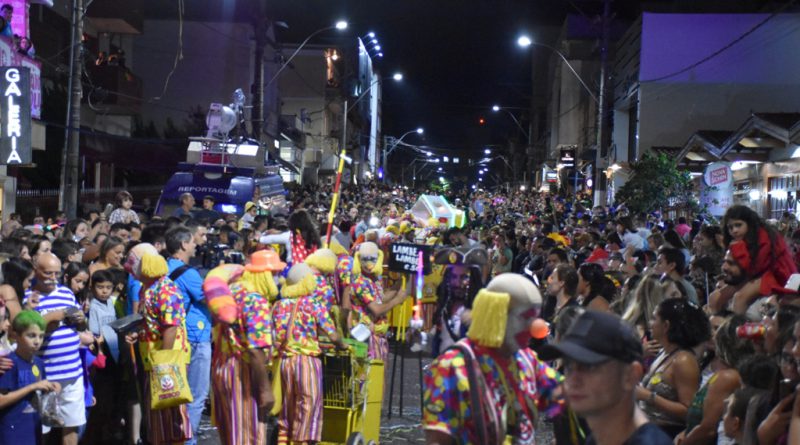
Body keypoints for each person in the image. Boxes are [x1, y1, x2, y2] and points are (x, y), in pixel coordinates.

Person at [423, 273, 563, 445]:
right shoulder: (452, 368)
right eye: (526, 318)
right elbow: (438, 440)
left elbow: (563, 397)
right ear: (498, 315)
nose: (535, 329)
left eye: (536, 317)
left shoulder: (527, 360)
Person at [539, 310, 673, 445]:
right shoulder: (599, 438)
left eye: (588, 367)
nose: (572, 380)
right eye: (568, 366)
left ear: (630, 375)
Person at [206, 251, 284, 445]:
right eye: (273, 274)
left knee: (231, 434)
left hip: (223, 367)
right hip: (243, 372)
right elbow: (255, 350)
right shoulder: (255, 300)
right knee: (248, 435)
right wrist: (265, 389)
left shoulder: (233, 291)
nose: (278, 279)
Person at [271, 263, 348, 445]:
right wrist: (342, 345)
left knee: (288, 407)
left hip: (284, 362)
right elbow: (333, 334)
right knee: (308, 406)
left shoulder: (278, 306)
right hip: (306, 362)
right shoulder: (313, 304)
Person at [124, 243, 192, 444]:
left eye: (133, 263)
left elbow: (170, 327)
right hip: (152, 359)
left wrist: (164, 361)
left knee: (170, 414)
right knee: (155, 414)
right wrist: (138, 333)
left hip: (167, 361)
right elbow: (152, 323)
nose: (129, 268)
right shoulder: (147, 288)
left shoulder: (166, 289)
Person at [26, 253, 87, 445]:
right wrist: (54, 316)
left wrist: (79, 318)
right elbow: (28, 329)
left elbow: (80, 321)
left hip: (72, 371)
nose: (53, 278)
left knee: (72, 424)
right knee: (41, 427)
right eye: (48, 273)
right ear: (36, 271)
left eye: (57, 273)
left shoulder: (66, 293)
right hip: (44, 374)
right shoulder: (29, 297)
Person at [636, 299, 710, 438]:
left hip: (667, 435)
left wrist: (648, 396)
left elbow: (689, 411)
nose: (650, 324)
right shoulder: (664, 353)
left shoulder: (684, 361)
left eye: (653, 318)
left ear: (666, 325)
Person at [165, 225, 209, 445]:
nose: (196, 245)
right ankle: (187, 441)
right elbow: (209, 297)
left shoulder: (163, 267)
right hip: (195, 337)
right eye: (193, 241)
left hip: (175, 337)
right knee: (195, 396)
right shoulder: (189, 274)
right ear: (183, 244)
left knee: (175, 395)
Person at [0, 310, 61, 445]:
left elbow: (38, 392)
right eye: (31, 336)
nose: (37, 341)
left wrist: (51, 387)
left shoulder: (38, 363)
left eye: (41, 336)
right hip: (11, 431)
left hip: (33, 428)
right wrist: (32, 387)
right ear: (15, 335)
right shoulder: (9, 363)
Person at [722, 205, 797, 313]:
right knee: (719, 296)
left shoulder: (763, 236)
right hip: (765, 275)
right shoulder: (749, 237)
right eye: (730, 227)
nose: (734, 230)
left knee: (740, 298)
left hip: (778, 276)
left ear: (749, 223)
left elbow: (754, 268)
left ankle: (736, 327)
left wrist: (737, 247)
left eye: (738, 225)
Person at [350, 242, 410, 361]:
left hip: (378, 336)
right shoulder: (360, 282)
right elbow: (377, 310)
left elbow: (381, 299)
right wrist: (397, 300)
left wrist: (401, 281)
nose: (368, 263)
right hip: (367, 337)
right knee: (373, 376)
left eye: (372, 259)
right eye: (365, 259)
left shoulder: (375, 278)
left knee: (381, 375)